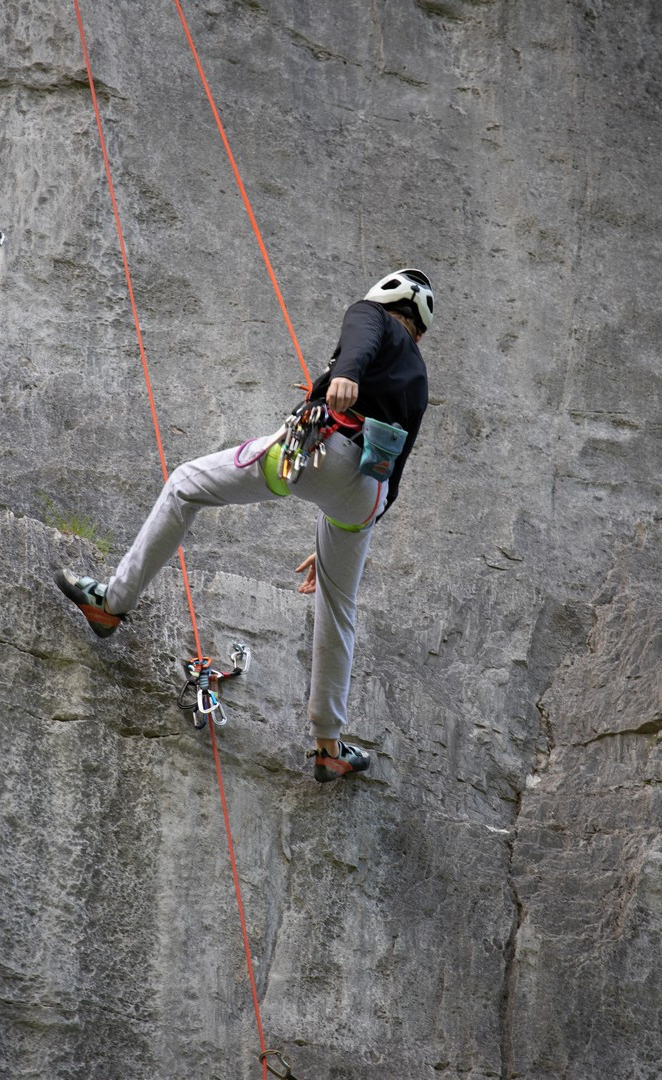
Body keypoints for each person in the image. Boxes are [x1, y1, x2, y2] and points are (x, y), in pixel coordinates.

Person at [54, 269, 434, 782]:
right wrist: (352, 525)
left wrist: (344, 374)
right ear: (419, 330)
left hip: (319, 449)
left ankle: (112, 604)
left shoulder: (371, 316)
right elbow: (398, 469)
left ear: (384, 301)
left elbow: (360, 338)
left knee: (185, 484)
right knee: (339, 605)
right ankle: (329, 746)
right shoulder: (419, 379)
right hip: (367, 496)